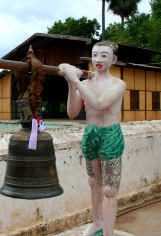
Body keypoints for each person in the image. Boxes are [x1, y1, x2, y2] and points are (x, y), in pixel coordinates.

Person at [59, 41, 126, 236]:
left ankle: (108, 232)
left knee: (109, 189)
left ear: (113, 59)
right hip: (90, 134)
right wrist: (72, 84)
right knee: (93, 182)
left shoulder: (118, 84)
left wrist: (76, 79)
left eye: (104, 55)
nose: (97, 60)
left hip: (109, 135)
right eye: (95, 55)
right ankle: (97, 222)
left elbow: (98, 103)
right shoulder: (85, 84)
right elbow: (72, 113)